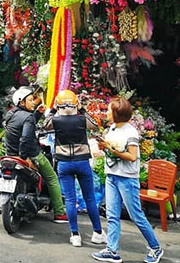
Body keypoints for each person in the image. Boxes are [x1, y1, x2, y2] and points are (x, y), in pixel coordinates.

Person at [92, 98, 164, 263]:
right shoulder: (112, 128)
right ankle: (112, 250)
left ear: (117, 113)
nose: (107, 112)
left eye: (109, 110)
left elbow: (132, 157)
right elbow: (111, 151)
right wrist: (104, 147)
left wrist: (111, 149)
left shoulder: (130, 132)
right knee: (111, 215)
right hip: (112, 175)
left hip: (127, 179)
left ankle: (156, 248)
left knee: (136, 215)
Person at [43, 90, 105, 247]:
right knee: (89, 198)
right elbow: (95, 125)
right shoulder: (82, 119)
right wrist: (82, 108)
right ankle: (97, 232)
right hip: (82, 162)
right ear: (75, 104)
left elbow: (44, 125)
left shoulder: (55, 121)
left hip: (64, 163)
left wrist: (53, 109)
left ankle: (75, 235)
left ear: (59, 104)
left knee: (70, 200)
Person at [4, 86, 68, 223]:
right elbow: (26, 138)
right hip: (29, 154)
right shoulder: (28, 117)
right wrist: (24, 156)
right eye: (31, 100)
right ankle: (60, 213)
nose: (34, 102)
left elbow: (17, 129)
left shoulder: (11, 114)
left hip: (10, 154)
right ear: (22, 103)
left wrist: (37, 114)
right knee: (52, 178)